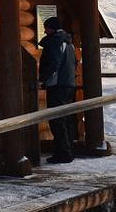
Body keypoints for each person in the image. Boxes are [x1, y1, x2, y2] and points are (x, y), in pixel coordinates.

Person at [38, 16, 77, 164]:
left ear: (51, 28)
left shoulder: (54, 41)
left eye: (46, 27)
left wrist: (43, 79)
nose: (45, 30)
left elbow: (53, 63)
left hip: (58, 85)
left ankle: (63, 153)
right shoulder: (68, 41)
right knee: (66, 119)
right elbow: (74, 62)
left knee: (57, 119)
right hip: (69, 84)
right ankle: (69, 151)